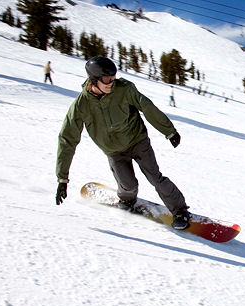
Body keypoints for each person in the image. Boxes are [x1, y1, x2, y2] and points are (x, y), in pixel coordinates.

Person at [55, 56, 191, 230]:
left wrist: (169, 130)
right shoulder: (81, 105)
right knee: (128, 185)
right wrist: (62, 178)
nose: (111, 82)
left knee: (155, 178)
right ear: (93, 79)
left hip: (137, 141)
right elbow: (67, 139)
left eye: (113, 78)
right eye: (107, 79)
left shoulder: (124, 89)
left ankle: (180, 211)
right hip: (114, 151)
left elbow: (147, 107)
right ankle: (127, 200)